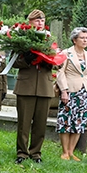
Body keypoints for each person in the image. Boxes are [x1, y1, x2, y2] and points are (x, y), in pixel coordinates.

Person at [14, 9, 55, 164]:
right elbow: (13, 62)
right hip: (26, 85)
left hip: (44, 86)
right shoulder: (21, 38)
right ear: (30, 22)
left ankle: (36, 153)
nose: (40, 22)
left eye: (42, 20)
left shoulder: (49, 39)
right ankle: (22, 153)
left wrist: (49, 61)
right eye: (37, 20)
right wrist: (27, 59)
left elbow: (57, 61)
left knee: (40, 123)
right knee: (24, 123)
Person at [55, 27, 87, 160]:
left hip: (84, 92)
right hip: (70, 91)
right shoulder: (66, 53)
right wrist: (64, 90)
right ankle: (65, 152)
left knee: (79, 122)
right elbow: (60, 72)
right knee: (66, 121)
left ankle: (72, 152)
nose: (85, 40)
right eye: (82, 38)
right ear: (74, 40)